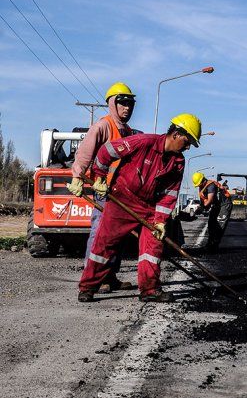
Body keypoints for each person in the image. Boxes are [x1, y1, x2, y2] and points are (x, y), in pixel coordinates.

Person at [77, 113, 203, 303]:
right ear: (176, 134)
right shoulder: (144, 142)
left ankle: (149, 290)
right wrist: (99, 177)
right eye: (187, 141)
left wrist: (160, 221)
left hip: (149, 208)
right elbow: (107, 151)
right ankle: (88, 287)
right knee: (104, 244)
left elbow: (170, 194)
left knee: (153, 248)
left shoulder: (178, 162)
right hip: (122, 200)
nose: (187, 147)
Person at [67, 82, 139, 293]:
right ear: (112, 104)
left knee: (116, 237)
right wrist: (77, 177)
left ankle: (110, 275)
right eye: (123, 103)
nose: (127, 108)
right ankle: (94, 278)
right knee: (100, 234)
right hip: (103, 192)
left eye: (130, 104)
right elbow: (84, 154)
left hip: (121, 193)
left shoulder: (126, 131)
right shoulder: (102, 126)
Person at [191, 172, 232, 251]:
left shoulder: (211, 186)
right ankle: (209, 245)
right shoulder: (202, 189)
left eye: (199, 184)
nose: (199, 186)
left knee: (219, 225)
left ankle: (214, 246)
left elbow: (209, 201)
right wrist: (198, 211)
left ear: (203, 180)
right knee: (211, 223)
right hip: (217, 205)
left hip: (224, 204)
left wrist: (201, 208)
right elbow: (204, 204)